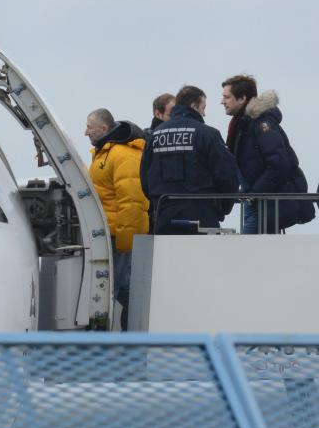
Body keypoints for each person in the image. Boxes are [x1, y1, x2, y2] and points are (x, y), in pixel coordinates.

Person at [221, 74, 314, 233]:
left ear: (242, 98)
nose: (222, 101)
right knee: (254, 253)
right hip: (257, 202)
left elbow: (279, 163)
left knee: (248, 253)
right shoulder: (243, 124)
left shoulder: (261, 123)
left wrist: (255, 193)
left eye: (227, 97)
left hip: (265, 204)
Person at [140, 85, 239, 234]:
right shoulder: (208, 134)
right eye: (203, 107)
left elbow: (144, 177)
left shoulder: (154, 136)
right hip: (202, 217)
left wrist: (158, 203)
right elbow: (227, 176)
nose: (204, 113)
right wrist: (222, 207)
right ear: (194, 106)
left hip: (164, 217)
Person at [85, 108, 149, 331]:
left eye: (89, 127)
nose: (85, 132)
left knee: (115, 287)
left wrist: (126, 240)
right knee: (121, 288)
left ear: (104, 129)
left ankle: (122, 338)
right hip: (107, 234)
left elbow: (132, 201)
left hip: (116, 236)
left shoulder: (122, 155)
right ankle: (132, 335)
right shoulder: (103, 154)